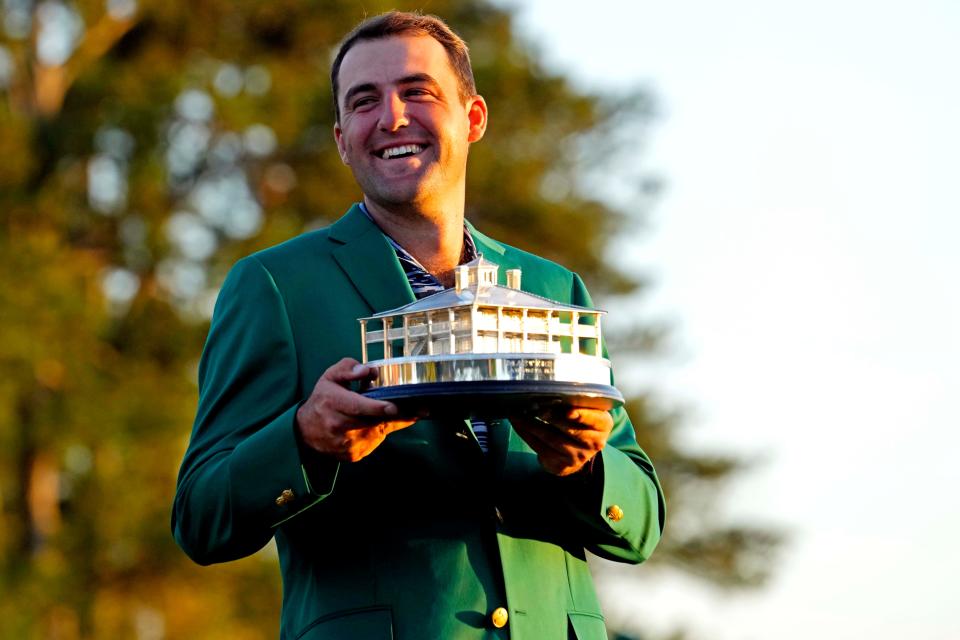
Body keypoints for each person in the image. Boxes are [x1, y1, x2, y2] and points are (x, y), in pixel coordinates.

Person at [172, 11, 665, 640]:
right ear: (342, 139)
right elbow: (200, 517)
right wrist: (303, 438)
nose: (393, 117)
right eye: (364, 102)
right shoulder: (274, 286)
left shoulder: (553, 288)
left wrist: (586, 466)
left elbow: (642, 524)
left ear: (473, 118)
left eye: (418, 92)